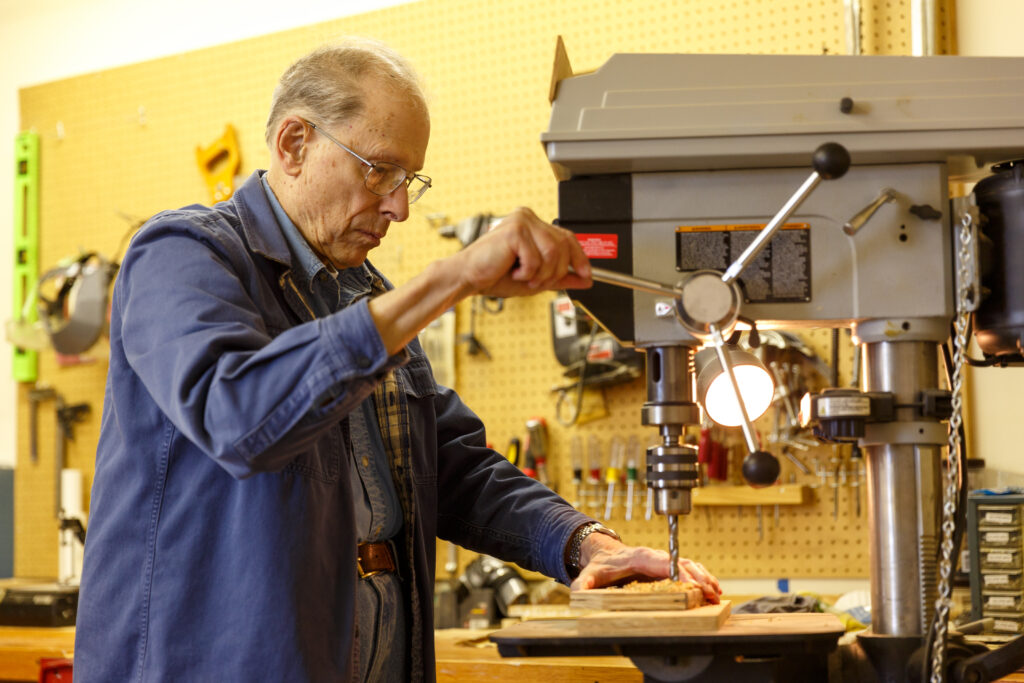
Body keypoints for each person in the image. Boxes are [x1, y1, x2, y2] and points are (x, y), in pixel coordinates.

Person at [73, 37, 720, 681]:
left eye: (408, 179)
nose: (400, 207)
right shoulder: (182, 253)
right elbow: (239, 415)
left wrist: (586, 545)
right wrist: (452, 279)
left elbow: (454, 468)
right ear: (293, 144)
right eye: (378, 170)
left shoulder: (362, 293)